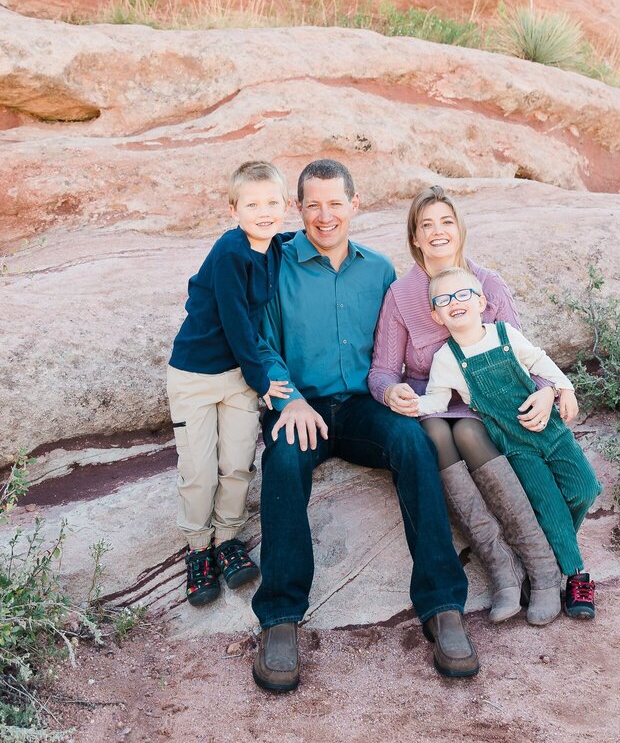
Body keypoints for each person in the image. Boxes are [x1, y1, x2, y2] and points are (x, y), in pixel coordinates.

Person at [251, 159, 478, 692]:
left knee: (413, 443)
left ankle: (442, 606)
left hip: (359, 407)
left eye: (336, 203)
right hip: (297, 404)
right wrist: (289, 402)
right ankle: (280, 618)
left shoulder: (378, 270)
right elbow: (260, 344)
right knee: (282, 461)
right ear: (298, 209)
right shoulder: (274, 265)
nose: (324, 215)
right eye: (313, 204)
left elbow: (418, 333)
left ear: (355, 206)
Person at [368, 186, 565, 626]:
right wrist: (388, 391)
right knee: (439, 431)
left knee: (468, 431)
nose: (438, 232)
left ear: (460, 230)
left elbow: (521, 350)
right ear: (414, 237)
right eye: (427, 225)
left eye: (446, 222)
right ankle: (501, 567)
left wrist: (548, 389)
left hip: (488, 402)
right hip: (433, 401)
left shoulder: (487, 284)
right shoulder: (402, 295)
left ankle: (543, 568)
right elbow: (382, 369)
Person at [421, 265, 601, 620]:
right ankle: (576, 575)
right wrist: (408, 403)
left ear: (482, 302)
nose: (455, 302)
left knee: (586, 489)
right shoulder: (447, 360)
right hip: (516, 447)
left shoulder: (506, 335)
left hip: (551, 431)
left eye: (463, 295)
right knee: (547, 504)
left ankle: (550, 545)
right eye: (444, 299)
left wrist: (564, 387)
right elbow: (436, 402)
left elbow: (540, 361)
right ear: (436, 315)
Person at [164, 161, 294, 607]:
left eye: (272, 203)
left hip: (237, 377)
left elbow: (295, 240)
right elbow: (238, 325)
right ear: (233, 208)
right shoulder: (230, 252)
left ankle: (228, 539)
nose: (264, 212)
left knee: (237, 461)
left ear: (286, 206)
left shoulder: (274, 245)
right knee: (199, 468)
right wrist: (262, 382)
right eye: (252, 204)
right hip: (197, 376)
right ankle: (198, 549)